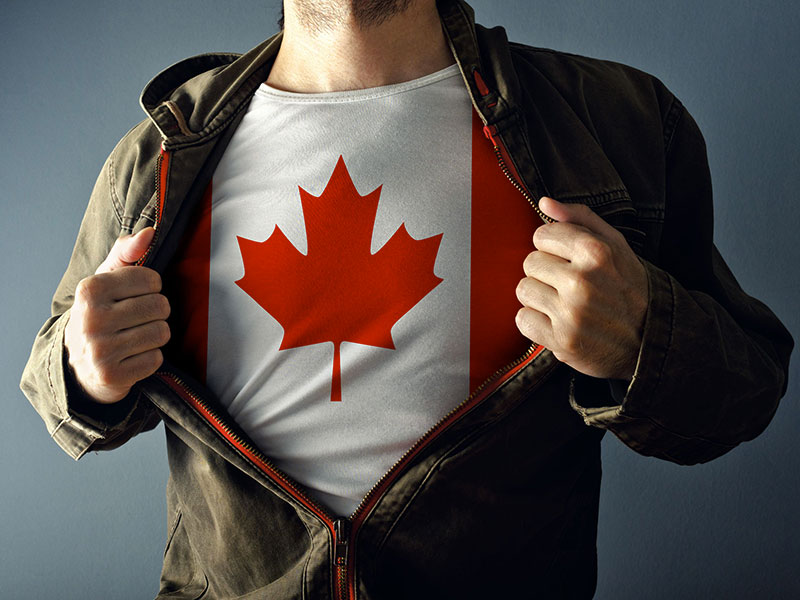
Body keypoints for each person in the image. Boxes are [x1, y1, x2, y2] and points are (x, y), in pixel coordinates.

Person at [20, 0, 793, 598]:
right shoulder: (160, 151)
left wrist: (642, 338)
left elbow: (744, 396)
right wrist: (84, 368)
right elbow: (51, 379)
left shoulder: (618, 123)